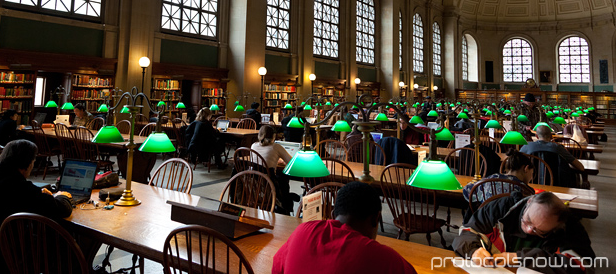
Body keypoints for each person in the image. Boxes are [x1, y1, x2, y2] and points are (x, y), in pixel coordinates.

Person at [272, 181, 417, 274]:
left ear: (332, 214)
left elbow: (277, 268)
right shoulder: (385, 258)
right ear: (376, 218)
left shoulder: (302, 231)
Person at [453, 191, 595, 273]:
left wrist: (521, 258)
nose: (528, 230)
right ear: (529, 202)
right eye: (527, 220)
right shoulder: (500, 209)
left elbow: (583, 266)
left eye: (538, 230)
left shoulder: (569, 228)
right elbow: (466, 232)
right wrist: (473, 251)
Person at [0, 140, 73, 222]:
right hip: (6, 242)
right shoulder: (20, 187)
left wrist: (39, 193)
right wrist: (61, 196)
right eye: (33, 161)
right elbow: (63, 210)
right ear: (27, 163)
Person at [462, 149, 535, 204]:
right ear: (526, 169)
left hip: (486, 220)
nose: (531, 178)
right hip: (509, 223)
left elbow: (467, 190)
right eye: (531, 173)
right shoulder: (526, 190)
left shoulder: (491, 179)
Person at [250, 125, 294, 213]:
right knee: (283, 180)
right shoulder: (275, 147)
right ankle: (284, 208)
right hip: (269, 188)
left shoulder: (253, 146)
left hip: (254, 187)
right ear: (273, 136)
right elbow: (291, 162)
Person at [520, 125, 585, 173]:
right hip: (557, 184)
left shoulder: (527, 146)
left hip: (531, 183)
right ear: (551, 136)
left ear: (536, 136)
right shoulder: (558, 148)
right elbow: (580, 167)